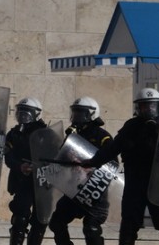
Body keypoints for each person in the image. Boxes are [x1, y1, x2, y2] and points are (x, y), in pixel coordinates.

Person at [83, 88, 159, 245]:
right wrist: (94, 161)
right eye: (144, 106)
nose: (149, 109)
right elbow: (113, 148)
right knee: (129, 224)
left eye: (152, 106)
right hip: (135, 183)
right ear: (138, 108)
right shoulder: (131, 127)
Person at [50, 97, 113, 245]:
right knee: (56, 223)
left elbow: (112, 162)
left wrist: (92, 165)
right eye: (75, 112)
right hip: (75, 189)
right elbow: (62, 159)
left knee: (91, 228)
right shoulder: (74, 135)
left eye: (81, 113)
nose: (77, 117)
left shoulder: (102, 136)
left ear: (92, 114)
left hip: (95, 190)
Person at [4, 97, 48, 245]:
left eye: (27, 112)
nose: (23, 115)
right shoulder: (14, 134)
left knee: (39, 219)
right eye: (21, 112)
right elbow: (8, 156)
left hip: (42, 183)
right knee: (19, 216)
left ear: (37, 114)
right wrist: (19, 166)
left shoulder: (46, 134)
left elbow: (56, 157)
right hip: (22, 181)